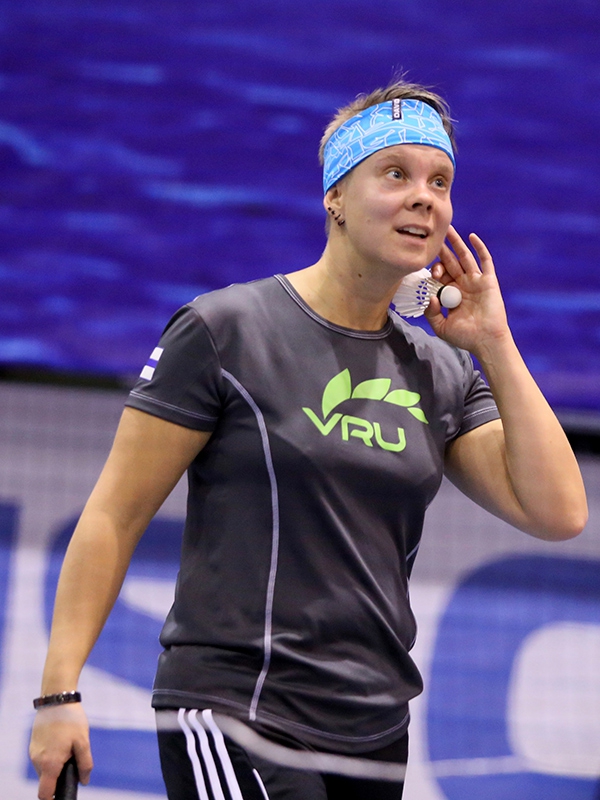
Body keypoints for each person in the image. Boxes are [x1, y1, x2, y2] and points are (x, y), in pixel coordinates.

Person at [30, 79, 588, 800]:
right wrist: (58, 692)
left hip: (373, 736)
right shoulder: (225, 330)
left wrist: (495, 344)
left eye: (440, 182)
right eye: (396, 174)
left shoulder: (443, 373)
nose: (424, 198)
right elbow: (114, 514)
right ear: (335, 197)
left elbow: (558, 512)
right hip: (235, 711)